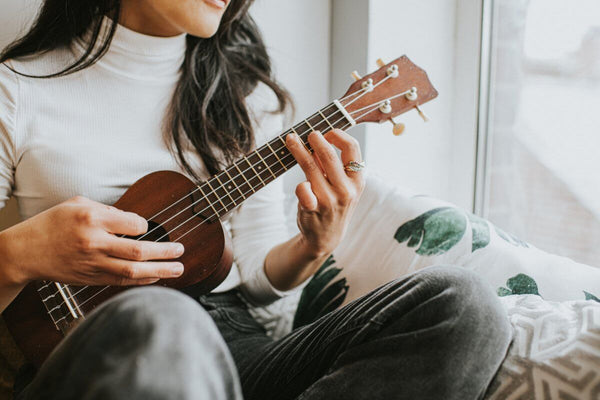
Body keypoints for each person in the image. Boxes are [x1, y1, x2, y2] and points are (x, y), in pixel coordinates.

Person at [0, 0, 512, 399]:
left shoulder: (247, 101)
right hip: (94, 355)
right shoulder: (16, 90)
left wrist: (315, 245)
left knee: (464, 303)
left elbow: (256, 279)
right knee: (157, 317)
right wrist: (22, 251)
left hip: (233, 342)